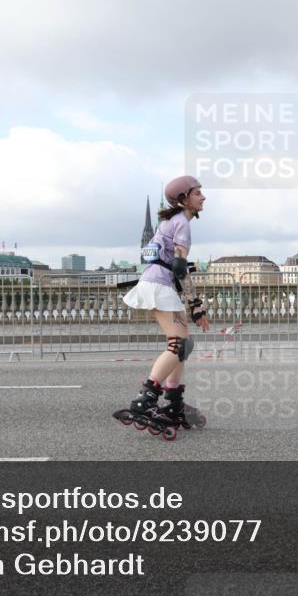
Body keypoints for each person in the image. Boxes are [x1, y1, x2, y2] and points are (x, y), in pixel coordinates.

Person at [114, 175, 209, 440]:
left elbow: (175, 265)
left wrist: (195, 306)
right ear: (184, 198)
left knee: (183, 344)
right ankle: (146, 399)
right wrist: (196, 306)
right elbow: (180, 268)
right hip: (158, 285)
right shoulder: (182, 225)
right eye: (198, 192)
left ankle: (173, 399)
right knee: (179, 343)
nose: (203, 197)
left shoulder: (173, 222)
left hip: (158, 284)